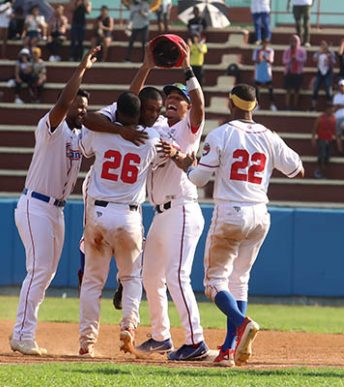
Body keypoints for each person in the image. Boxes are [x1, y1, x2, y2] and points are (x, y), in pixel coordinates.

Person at [167, 83, 304, 367]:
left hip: (230, 211)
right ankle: (229, 351)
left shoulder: (222, 133)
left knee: (213, 283)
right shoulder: (269, 136)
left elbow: (198, 179)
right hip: (259, 214)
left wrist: (185, 163)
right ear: (254, 107)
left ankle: (242, 324)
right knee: (239, 281)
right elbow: (296, 168)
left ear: (231, 104)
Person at [10, 47, 100, 356]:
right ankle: (22, 334)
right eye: (78, 104)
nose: (81, 110)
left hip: (56, 210)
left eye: (85, 106)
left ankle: (25, 331)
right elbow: (62, 103)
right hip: (34, 205)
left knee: (45, 272)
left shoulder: (79, 137)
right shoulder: (51, 127)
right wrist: (82, 69)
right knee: (38, 270)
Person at [126, 39, 210, 361]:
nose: (173, 100)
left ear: (188, 108)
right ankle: (161, 336)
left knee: (177, 275)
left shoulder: (189, 131)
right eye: (170, 98)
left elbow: (200, 105)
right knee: (150, 276)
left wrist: (188, 67)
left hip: (183, 207)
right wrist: (146, 65)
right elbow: (131, 103)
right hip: (160, 214)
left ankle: (196, 341)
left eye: (180, 98)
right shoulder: (158, 127)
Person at [78, 90, 164, 358]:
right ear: (138, 113)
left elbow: (87, 135)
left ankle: (86, 342)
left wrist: (114, 128)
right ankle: (129, 326)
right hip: (129, 215)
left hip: (99, 214)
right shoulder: (150, 138)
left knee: (92, 281)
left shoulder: (102, 132)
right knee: (130, 278)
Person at [282, 34, 307, 110]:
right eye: (292, 41)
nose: (293, 42)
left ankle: (295, 106)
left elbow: (304, 60)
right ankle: (287, 106)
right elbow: (284, 60)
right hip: (289, 72)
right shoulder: (287, 51)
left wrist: (297, 58)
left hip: (298, 72)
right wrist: (290, 59)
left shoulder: (302, 50)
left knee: (297, 90)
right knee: (288, 90)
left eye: (295, 41)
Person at [311, 103, 335, 179]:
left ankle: (321, 171)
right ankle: (319, 171)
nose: (331, 110)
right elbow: (314, 129)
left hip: (329, 140)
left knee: (327, 156)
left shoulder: (333, 118)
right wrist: (313, 139)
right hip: (322, 139)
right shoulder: (320, 118)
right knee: (322, 155)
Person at [310, 40, 335, 111]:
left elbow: (334, 62)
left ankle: (330, 104)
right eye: (322, 45)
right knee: (315, 87)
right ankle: (313, 106)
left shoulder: (331, 53)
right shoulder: (318, 53)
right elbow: (314, 59)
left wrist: (329, 58)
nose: (323, 46)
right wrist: (320, 53)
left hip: (328, 72)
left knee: (328, 87)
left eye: (324, 45)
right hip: (320, 72)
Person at [252, 39, 276, 111]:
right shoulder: (257, 50)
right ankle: (257, 105)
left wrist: (265, 58)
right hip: (259, 72)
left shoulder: (270, 51)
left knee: (270, 88)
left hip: (267, 72)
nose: (265, 44)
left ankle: (272, 104)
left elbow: (271, 61)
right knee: (257, 89)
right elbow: (255, 60)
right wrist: (259, 59)